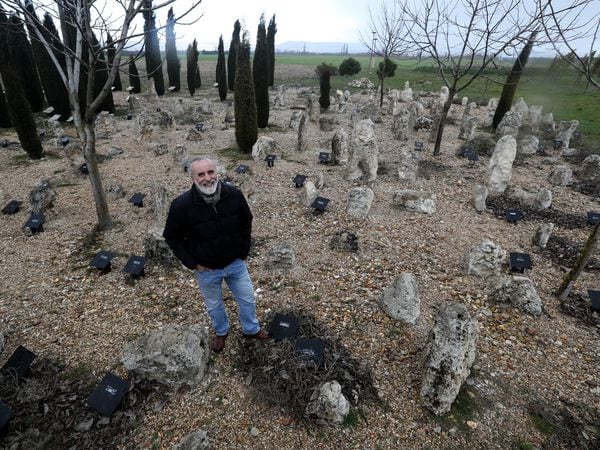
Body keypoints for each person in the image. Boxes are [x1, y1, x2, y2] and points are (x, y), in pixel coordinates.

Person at [163, 156, 270, 353]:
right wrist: (192, 263)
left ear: (217, 172)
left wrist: (243, 250)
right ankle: (221, 331)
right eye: (201, 174)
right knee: (214, 305)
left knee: (247, 298)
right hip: (207, 269)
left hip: (235, 263)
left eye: (210, 172)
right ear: (193, 178)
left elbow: (247, 221)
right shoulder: (181, 205)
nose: (207, 178)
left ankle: (251, 328)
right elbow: (171, 236)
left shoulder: (234, 195)